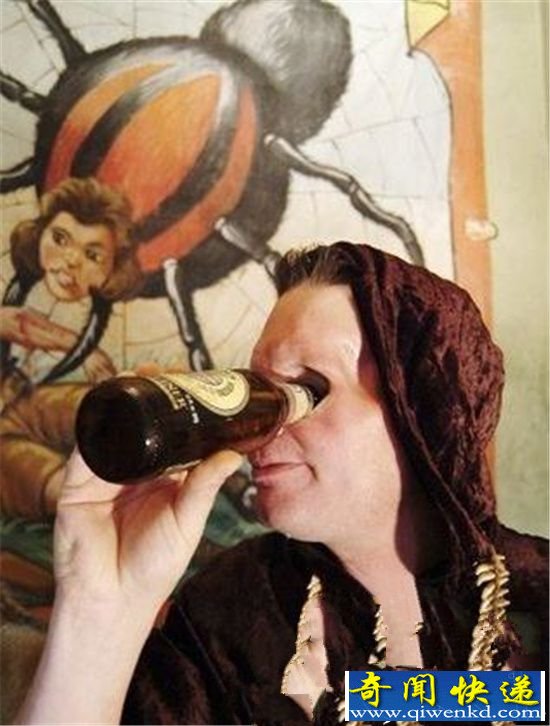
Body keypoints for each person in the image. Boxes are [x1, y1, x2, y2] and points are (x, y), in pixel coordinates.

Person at [15, 242, 548, 725]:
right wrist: (100, 606)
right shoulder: (232, 612)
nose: (261, 429)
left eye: (308, 390)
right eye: (260, 394)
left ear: (426, 414)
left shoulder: (535, 591)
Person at [1, 177, 141, 518]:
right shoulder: (23, 291)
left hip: (29, 399)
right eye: (60, 239)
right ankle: (98, 510)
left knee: (98, 405)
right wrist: (84, 351)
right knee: (18, 463)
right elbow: (21, 324)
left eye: (92, 255)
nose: (70, 259)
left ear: (111, 270)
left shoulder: (94, 314)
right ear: (39, 235)